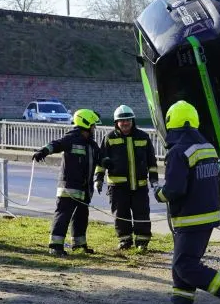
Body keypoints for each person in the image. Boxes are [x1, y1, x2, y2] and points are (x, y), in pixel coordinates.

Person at [151, 100, 220, 304]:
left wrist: (159, 194)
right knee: (182, 264)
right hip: (207, 216)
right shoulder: (207, 146)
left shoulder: (178, 151)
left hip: (190, 218)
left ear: (170, 123)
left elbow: (175, 190)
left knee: (185, 265)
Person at [32, 109, 102, 257]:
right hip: (68, 188)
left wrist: (107, 162)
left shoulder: (92, 145)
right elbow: (56, 144)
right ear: (86, 123)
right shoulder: (71, 139)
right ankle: (55, 246)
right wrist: (44, 151)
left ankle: (79, 245)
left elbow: (100, 158)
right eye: (92, 126)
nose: (94, 129)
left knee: (81, 218)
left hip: (84, 190)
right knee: (63, 216)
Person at [95, 105, 158, 252]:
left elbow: (152, 162)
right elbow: (101, 161)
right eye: (121, 121)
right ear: (116, 123)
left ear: (132, 121)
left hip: (140, 186)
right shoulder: (109, 138)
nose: (125, 123)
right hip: (117, 187)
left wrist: (154, 180)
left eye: (127, 120)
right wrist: (98, 179)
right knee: (120, 214)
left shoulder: (143, 137)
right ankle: (125, 240)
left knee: (141, 213)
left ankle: (142, 242)